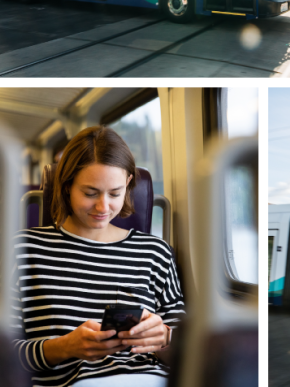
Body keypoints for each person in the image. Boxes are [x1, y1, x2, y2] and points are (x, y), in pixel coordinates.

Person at [10, 126, 185, 387]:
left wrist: (165, 339)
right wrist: (64, 347)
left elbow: (192, 354)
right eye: (90, 193)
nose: (103, 207)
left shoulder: (155, 252)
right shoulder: (24, 249)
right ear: (67, 186)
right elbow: (3, 354)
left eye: (115, 193)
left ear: (127, 183)